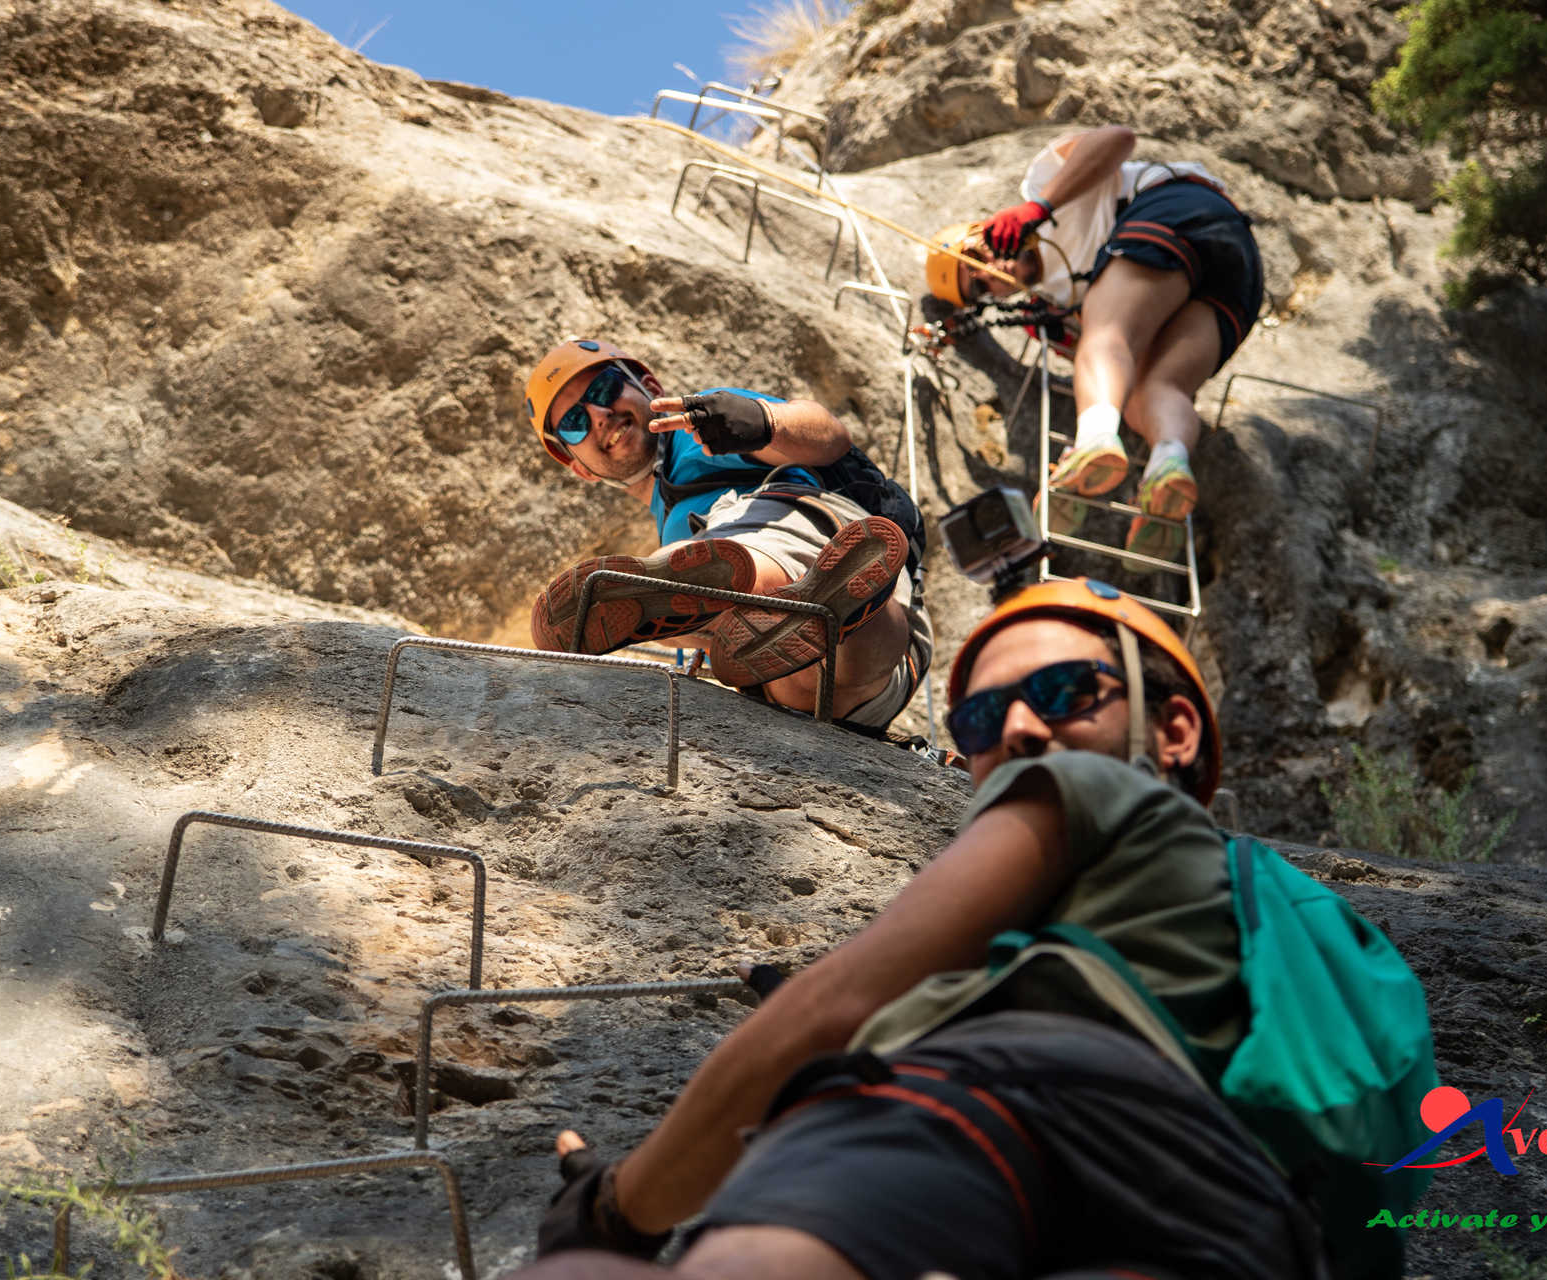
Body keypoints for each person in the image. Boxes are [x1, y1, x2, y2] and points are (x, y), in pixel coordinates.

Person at [520, 578, 1326, 1280]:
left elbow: (826, 1015)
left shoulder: (1080, 788)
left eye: (1062, 693)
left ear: (1175, 730)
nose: (1016, 731)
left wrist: (614, 1210)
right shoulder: (1228, 917)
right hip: (1237, 1216)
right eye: (979, 719)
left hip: (992, 1117)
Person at [522, 338, 932, 732]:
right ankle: (810, 610)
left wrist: (764, 422)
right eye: (575, 423)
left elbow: (829, 436)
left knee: (735, 553)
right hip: (855, 694)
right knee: (800, 673)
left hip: (823, 535)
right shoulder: (667, 519)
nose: (598, 414)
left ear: (647, 386)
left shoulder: (705, 429)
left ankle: (730, 591)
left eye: (605, 388)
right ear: (578, 466)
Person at [926, 125, 1265, 560]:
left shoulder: (1042, 185)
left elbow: (1118, 139)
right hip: (1236, 270)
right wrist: (1065, 329)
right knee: (1157, 389)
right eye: (978, 289)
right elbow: (1120, 367)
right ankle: (1168, 465)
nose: (988, 275)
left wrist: (1040, 205)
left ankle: (1093, 442)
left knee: (1105, 338)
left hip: (1177, 209)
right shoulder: (1056, 303)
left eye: (975, 257)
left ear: (984, 230)